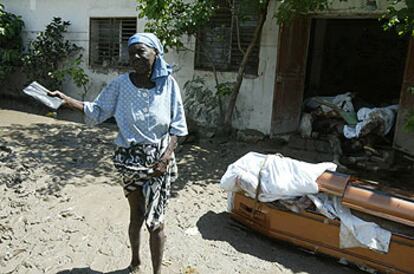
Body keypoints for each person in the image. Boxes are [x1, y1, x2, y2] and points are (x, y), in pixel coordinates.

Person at [49, 33, 188, 274]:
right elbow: (97, 111)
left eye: (141, 52)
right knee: (137, 214)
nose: (135, 57)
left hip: (159, 160)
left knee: (156, 222)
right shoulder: (120, 84)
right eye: (131, 52)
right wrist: (66, 100)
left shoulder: (168, 84)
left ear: (156, 54)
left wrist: (165, 158)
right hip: (129, 160)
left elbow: (177, 125)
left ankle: (157, 272)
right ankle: (135, 261)